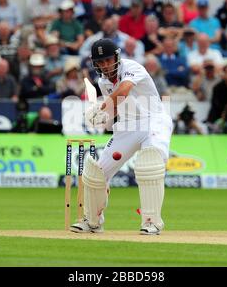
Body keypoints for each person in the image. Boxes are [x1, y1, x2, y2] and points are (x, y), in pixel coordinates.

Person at [70, 38, 173, 235]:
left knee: (150, 164)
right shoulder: (102, 81)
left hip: (154, 120)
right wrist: (101, 117)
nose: (105, 65)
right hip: (126, 126)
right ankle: (92, 221)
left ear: (117, 57)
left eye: (108, 60)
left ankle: (152, 222)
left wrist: (102, 106)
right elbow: (115, 106)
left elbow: (124, 90)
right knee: (96, 173)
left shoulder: (132, 67)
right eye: (100, 62)